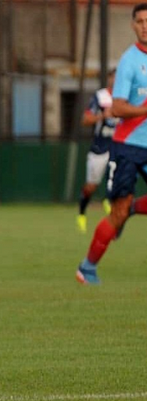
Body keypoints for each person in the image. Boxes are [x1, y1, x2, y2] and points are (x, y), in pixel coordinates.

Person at [77, 3, 147, 284]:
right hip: (127, 146)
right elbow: (117, 108)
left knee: (126, 208)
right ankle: (87, 268)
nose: (145, 26)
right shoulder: (129, 61)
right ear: (133, 25)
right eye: (140, 21)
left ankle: (133, 208)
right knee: (117, 212)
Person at [76, 69, 117, 233]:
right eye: (113, 77)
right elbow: (85, 120)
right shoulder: (100, 97)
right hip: (100, 147)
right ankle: (81, 213)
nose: (116, 80)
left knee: (119, 175)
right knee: (91, 186)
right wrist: (103, 116)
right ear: (109, 79)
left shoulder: (126, 97)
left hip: (118, 145)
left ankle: (109, 199)